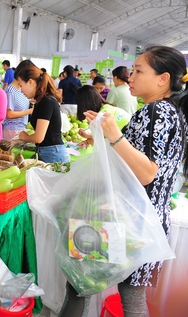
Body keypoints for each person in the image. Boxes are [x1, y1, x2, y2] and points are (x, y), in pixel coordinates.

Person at [61, 46, 188, 317]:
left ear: (162, 78)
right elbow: (136, 158)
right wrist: (103, 135)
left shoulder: (156, 112)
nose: (130, 77)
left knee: (79, 283)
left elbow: (146, 172)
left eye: (139, 71)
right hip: (144, 222)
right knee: (131, 299)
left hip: (124, 218)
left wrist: (114, 135)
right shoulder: (170, 111)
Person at [16, 65, 69, 163]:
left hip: (53, 154)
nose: (21, 90)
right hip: (48, 152)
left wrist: (25, 137)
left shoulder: (47, 101)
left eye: (21, 85)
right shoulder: (41, 101)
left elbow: (38, 138)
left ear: (31, 82)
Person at [4, 71, 33, 141]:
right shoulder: (10, 91)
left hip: (20, 128)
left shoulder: (19, 89)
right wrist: (29, 111)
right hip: (13, 129)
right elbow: (9, 114)